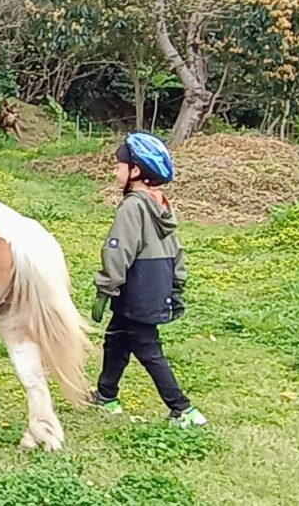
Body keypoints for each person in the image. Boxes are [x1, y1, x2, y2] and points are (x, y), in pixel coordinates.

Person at [89, 131, 207, 428]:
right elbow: (176, 250)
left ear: (135, 171)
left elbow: (118, 250)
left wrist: (105, 287)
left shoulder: (133, 206)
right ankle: (106, 395)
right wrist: (177, 285)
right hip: (156, 284)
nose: (115, 172)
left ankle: (182, 409)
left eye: (119, 166)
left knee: (148, 349)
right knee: (116, 339)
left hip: (136, 288)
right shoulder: (160, 204)